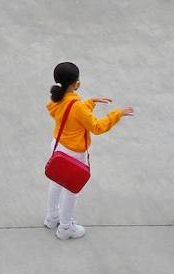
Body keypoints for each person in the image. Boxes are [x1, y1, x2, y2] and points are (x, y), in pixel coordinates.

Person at [45, 61, 133, 241]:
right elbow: (97, 127)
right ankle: (66, 228)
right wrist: (117, 114)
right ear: (75, 84)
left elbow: (71, 113)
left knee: (56, 182)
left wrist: (90, 102)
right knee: (71, 190)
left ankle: (52, 217)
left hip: (58, 146)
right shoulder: (76, 106)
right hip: (73, 152)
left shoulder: (57, 98)